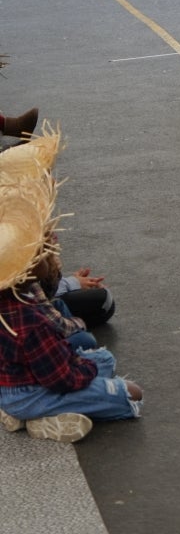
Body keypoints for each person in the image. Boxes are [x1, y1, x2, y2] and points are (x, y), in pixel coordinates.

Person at [0, 158, 143, 443]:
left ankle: (26, 411)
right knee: (131, 393)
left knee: (105, 358)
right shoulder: (31, 320)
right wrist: (86, 370)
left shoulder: (13, 300)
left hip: (17, 386)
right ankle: (42, 417)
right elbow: (60, 379)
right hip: (31, 393)